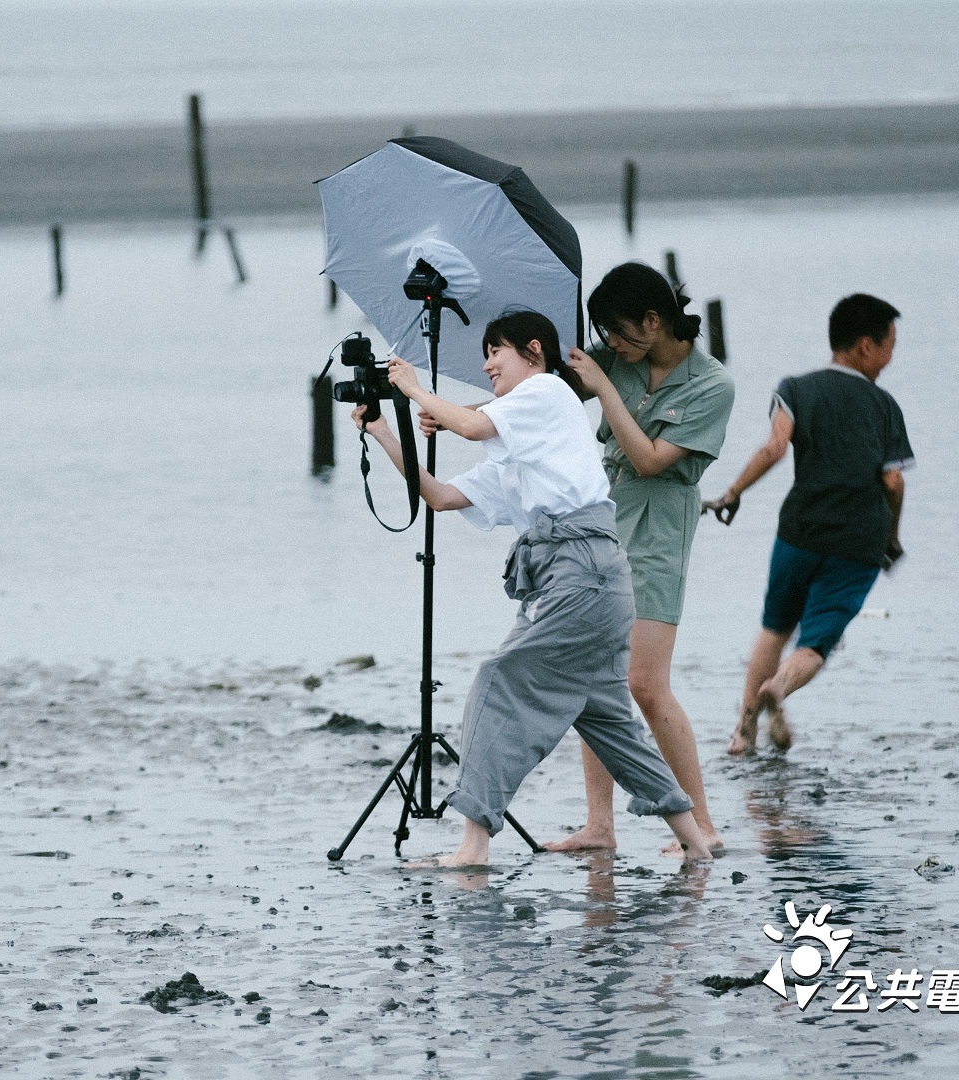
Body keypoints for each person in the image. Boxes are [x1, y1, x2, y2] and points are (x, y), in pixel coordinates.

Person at [357, 309, 715, 868]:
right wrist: (383, 429)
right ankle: (695, 840)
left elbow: (474, 425)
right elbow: (440, 495)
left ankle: (472, 845)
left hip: (582, 572)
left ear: (532, 351)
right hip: (580, 579)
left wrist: (417, 389)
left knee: (499, 680)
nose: (485, 364)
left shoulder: (548, 391)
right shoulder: (524, 455)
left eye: (494, 352)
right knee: (607, 719)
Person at [550, 263, 734, 856]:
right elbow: (536, 399)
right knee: (596, 682)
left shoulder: (712, 385)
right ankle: (600, 826)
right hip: (601, 527)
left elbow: (653, 459)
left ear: (653, 321)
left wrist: (603, 389)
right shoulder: (616, 360)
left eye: (620, 333)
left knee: (646, 686)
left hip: (658, 536)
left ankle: (701, 823)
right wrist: (441, 411)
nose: (612, 346)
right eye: (604, 336)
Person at [703, 294, 911, 754]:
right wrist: (891, 540)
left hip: (799, 530)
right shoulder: (884, 406)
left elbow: (775, 448)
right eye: (889, 345)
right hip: (857, 543)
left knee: (774, 627)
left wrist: (732, 492)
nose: (892, 355)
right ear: (863, 346)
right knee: (814, 642)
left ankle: (742, 733)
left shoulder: (795, 388)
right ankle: (780, 687)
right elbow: (893, 483)